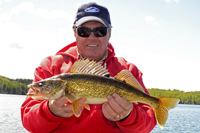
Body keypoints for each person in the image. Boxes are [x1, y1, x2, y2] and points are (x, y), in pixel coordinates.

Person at [21, 2, 157, 133]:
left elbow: (148, 122)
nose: (91, 37)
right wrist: (49, 111)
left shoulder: (127, 69)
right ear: (75, 32)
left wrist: (129, 116)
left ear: (109, 33)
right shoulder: (50, 66)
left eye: (100, 31)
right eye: (84, 31)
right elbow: (28, 121)